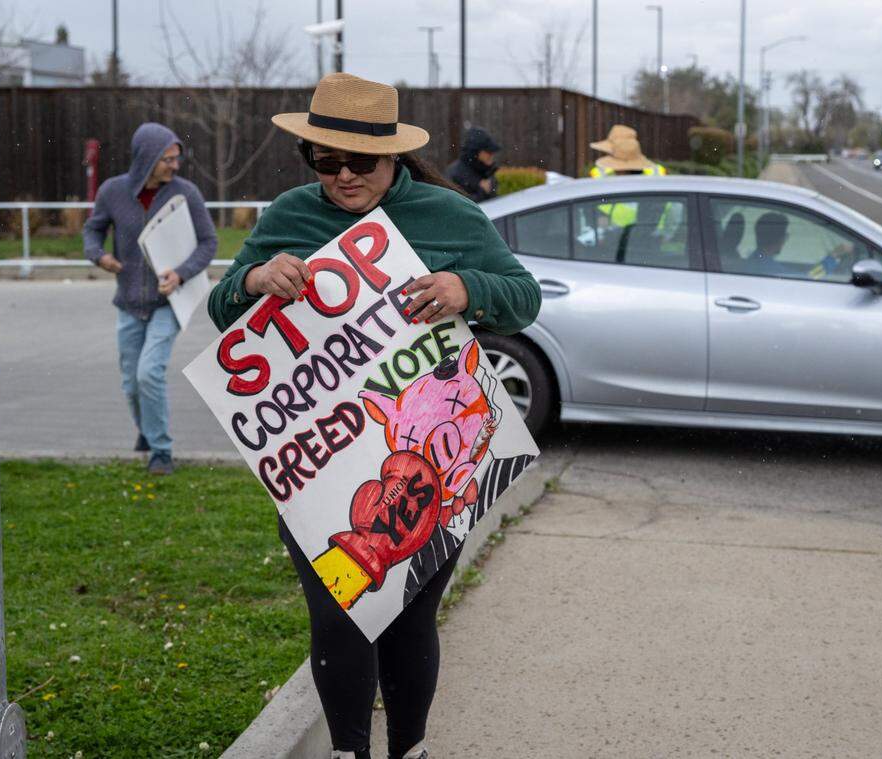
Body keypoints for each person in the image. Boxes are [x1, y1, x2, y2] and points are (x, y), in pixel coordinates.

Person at [207, 73, 540, 759]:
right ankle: (347, 751)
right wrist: (252, 280)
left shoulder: (453, 219)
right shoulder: (290, 216)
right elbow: (220, 311)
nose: (344, 175)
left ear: (395, 157)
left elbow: (524, 298)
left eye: (362, 161)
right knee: (338, 611)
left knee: (409, 613)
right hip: (321, 461)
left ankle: (409, 748)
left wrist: (465, 287)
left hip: (434, 462)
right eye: (326, 160)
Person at [83, 122, 217, 476]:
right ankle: (147, 429)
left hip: (168, 303)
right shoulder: (113, 191)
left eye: (176, 158)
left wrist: (181, 273)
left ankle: (161, 451)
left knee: (149, 373)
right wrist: (98, 256)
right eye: (167, 159)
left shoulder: (185, 194)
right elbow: (93, 229)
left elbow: (208, 242)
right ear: (147, 158)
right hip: (128, 300)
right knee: (130, 381)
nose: (175, 165)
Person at [445, 125, 500, 201]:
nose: (491, 155)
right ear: (475, 152)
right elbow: (455, 204)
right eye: (488, 151)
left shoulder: (487, 171)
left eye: (492, 151)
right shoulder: (455, 174)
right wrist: (482, 192)